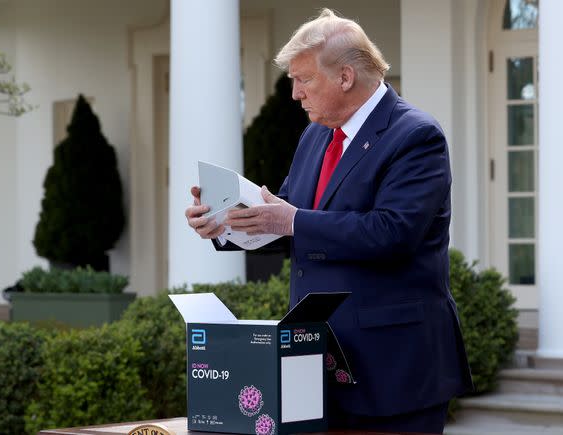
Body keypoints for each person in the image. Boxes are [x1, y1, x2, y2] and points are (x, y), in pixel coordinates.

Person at [185, 8, 473, 434]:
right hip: (314, 362)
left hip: (393, 368)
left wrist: (291, 220)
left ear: (344, 77)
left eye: (304, 80)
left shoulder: (416, 136)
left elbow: (392, 233)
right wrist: (226, 223)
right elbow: (291, 214)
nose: (296, 94)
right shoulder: (315, 134)